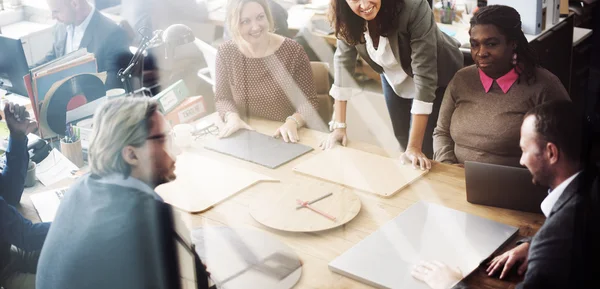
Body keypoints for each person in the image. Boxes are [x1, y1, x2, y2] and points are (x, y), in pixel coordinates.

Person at [413, 100, 600, 289]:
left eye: (525, 150)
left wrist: (451, 284)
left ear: (551, 152)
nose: (521, 161)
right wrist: (532, 245)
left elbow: (562, 240)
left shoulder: (556, 240)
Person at [36, 97, 210, 289]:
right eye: (163, 139)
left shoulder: (80, 187)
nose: (175, 149)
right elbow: (198, 281)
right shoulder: (151, 217)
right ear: (131, 155)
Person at [320, 0, 463, 170]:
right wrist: (339, 127)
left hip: (437, 76)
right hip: (392, 74)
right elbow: (343, 64)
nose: (364, 4)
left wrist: (415, 148)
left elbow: (425, 76)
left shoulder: (413, 6)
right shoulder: (345, 15)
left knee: (426, 146)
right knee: (402, 137)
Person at [432, 5, 570, 167]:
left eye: (491, 44)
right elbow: (441, 132)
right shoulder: (461, 79)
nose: (481, 52)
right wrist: (448, 167)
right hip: (455, 181)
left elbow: (565, 147)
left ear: (513, 43)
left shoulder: (544, 86)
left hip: (514, 186)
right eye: (475, 44)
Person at [215, 0, 320, 143]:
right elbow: (222, 98)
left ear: (268, 16)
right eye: (245, 21)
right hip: (246, 135)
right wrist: (232, 118)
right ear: (234, 24)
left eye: (260, 17)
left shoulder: (293, 51)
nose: (255, 27)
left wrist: (292, 122)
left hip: (285, 136)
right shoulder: (226, 52)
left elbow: (310, 102)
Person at [0, 103, 48, 289]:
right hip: (4, 276)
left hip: (7, 255)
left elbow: (10, 193)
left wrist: (18, 136)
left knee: (73, 253)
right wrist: (74, 222)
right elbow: (27, 236)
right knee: (74, 280)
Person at [37, 0, 130, 89]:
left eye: (56, 11)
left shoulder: (112, 34)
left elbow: (113, 86)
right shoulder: (60, 27)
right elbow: (53, 58)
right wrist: (28, 73)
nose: (53, 17)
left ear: (75, 4)